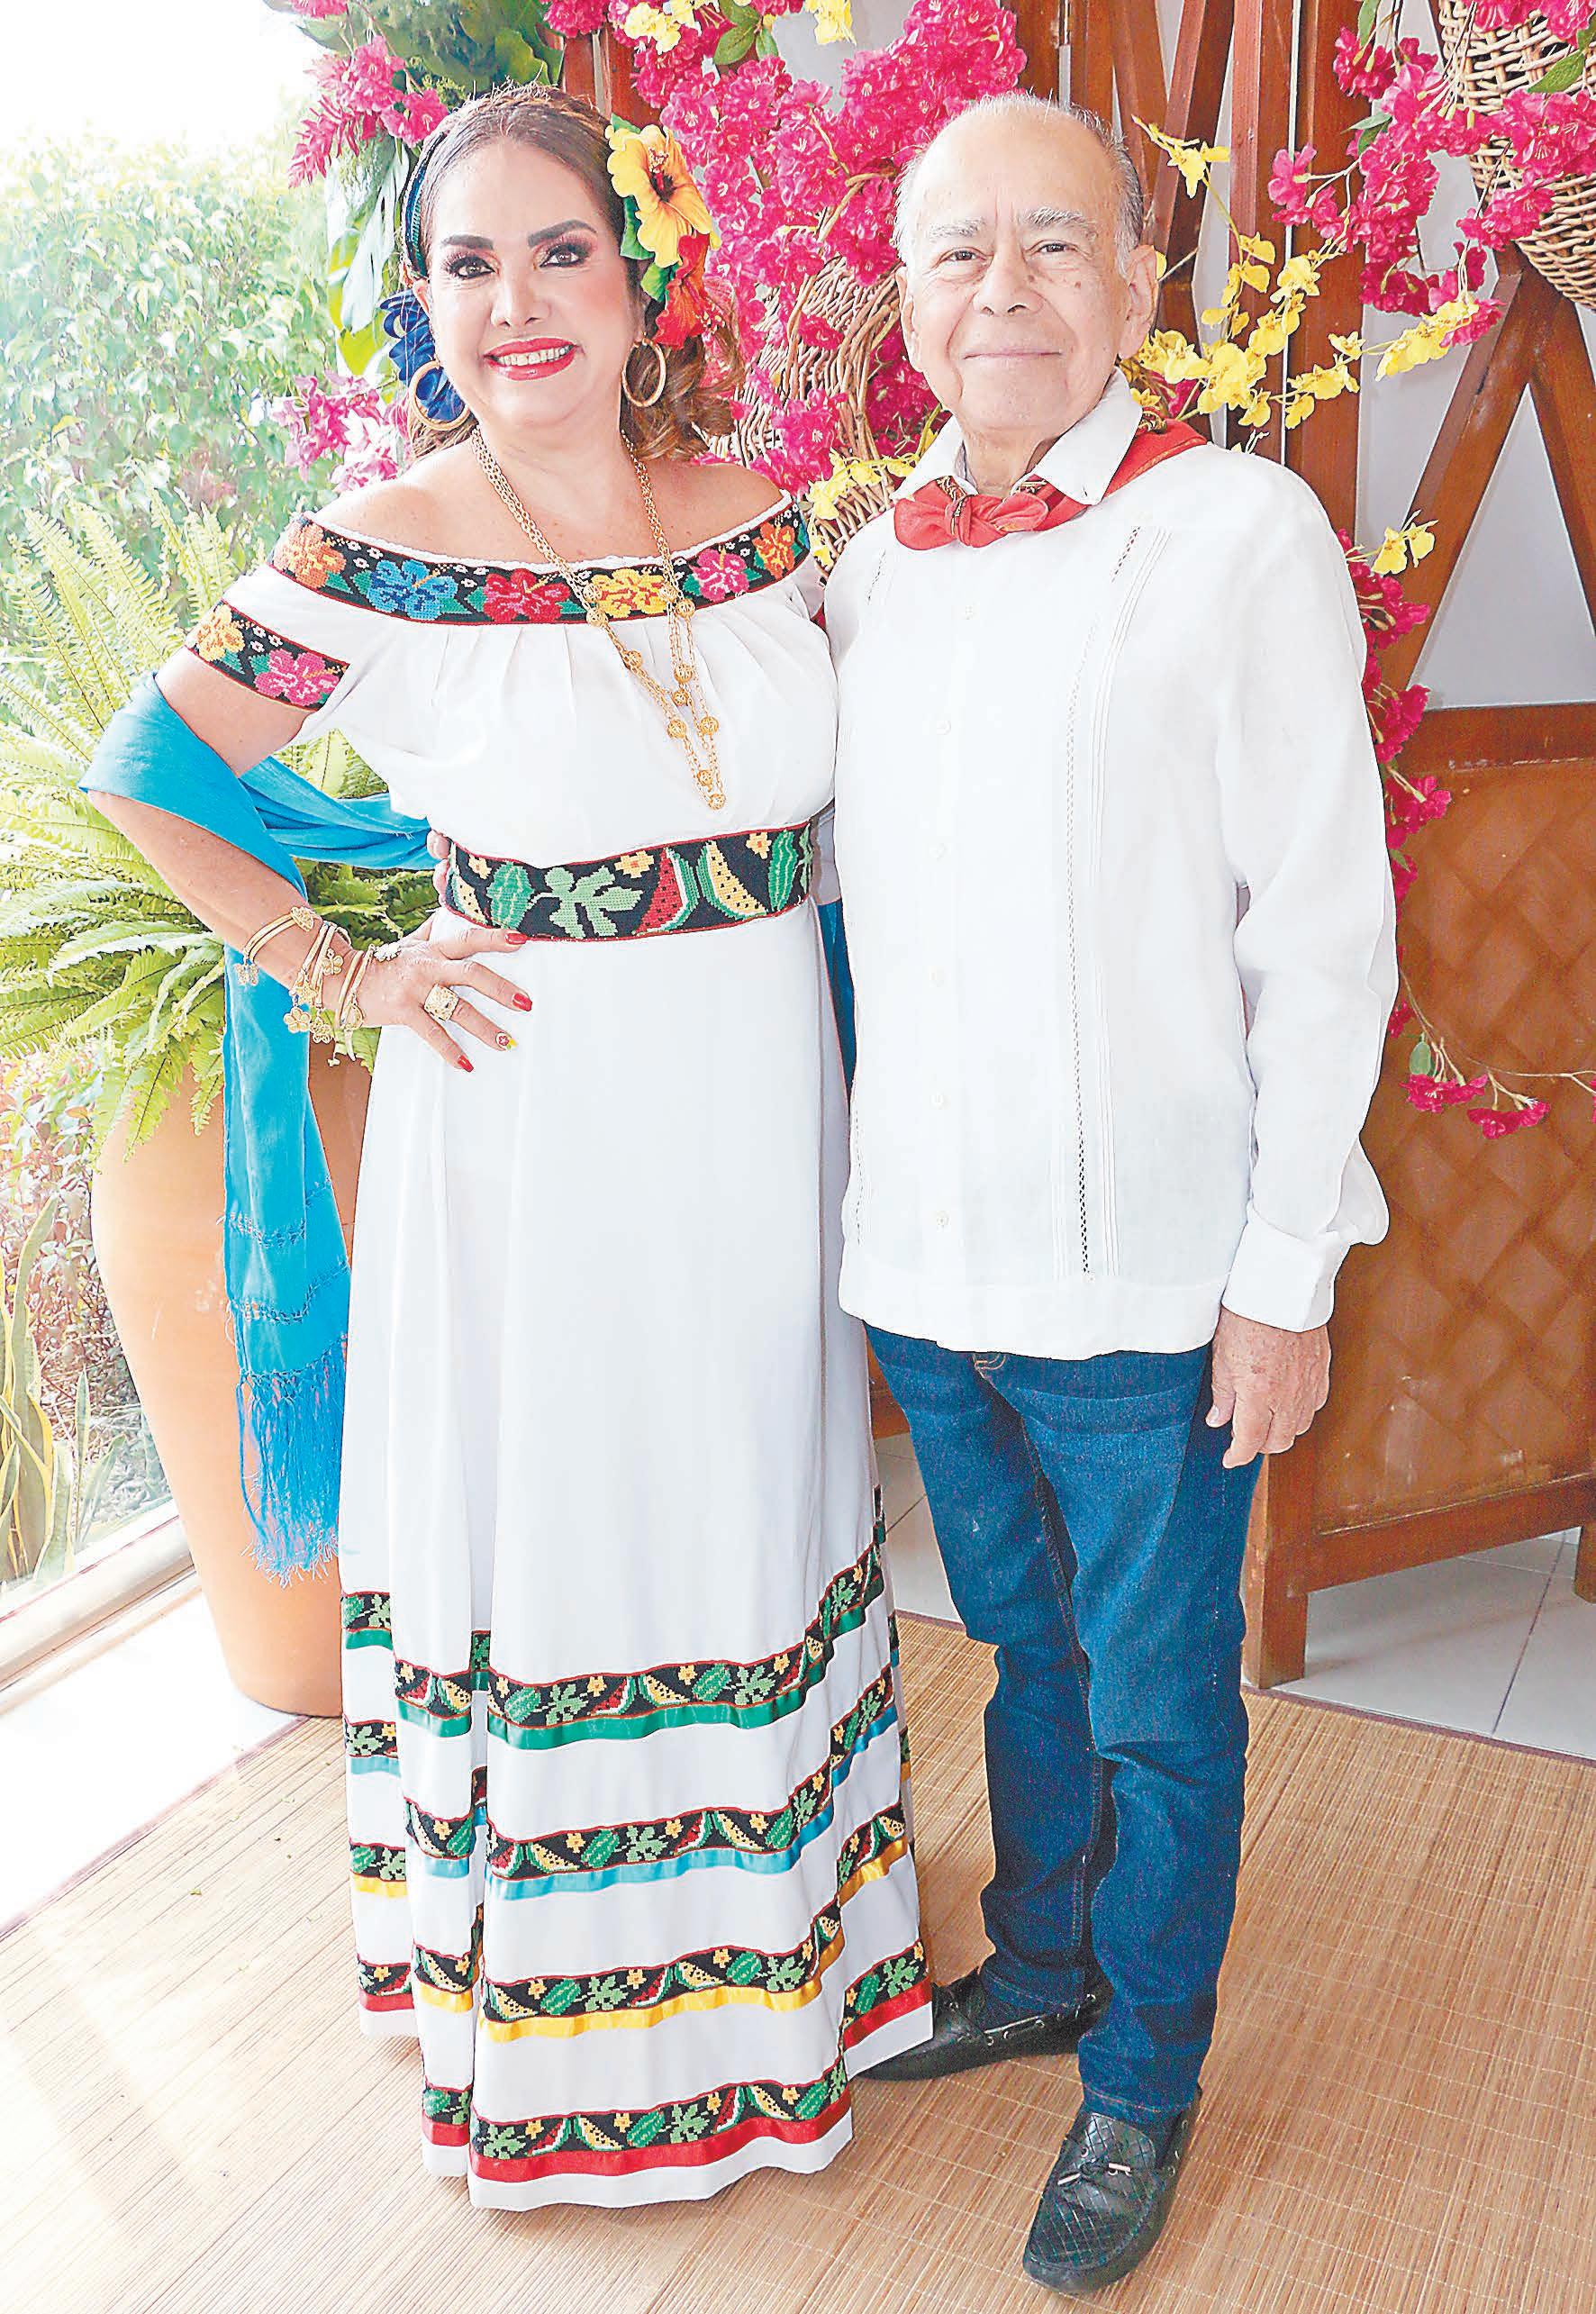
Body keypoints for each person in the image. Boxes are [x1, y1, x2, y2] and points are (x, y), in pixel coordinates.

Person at [85, 82, 928, 2211]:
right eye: (467, 265)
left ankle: (783, 1976)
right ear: (424, 304)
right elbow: (147, 766)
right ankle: (584, 2047)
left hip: (762, 1119)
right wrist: (341, 970)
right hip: (537, 1141)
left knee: (749, 1492)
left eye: (560, 251)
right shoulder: (377, 546)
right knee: (580, 1522)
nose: (515, 302)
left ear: (644, 283)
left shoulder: (768, 519)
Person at [823, 93, 1397, 2294]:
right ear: (906, 302)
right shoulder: (871, 570)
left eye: (1055, 244)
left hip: (1153, 1284)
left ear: (1141, 284)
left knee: (1161, 1707)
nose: (1005, 289)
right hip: (927, 1266)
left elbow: (1322, 937)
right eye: (958, 250)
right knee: (1019, 1653)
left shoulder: (1236, 532)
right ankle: (1048, 1960)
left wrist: (1285, 1273)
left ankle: (1142, 2076)